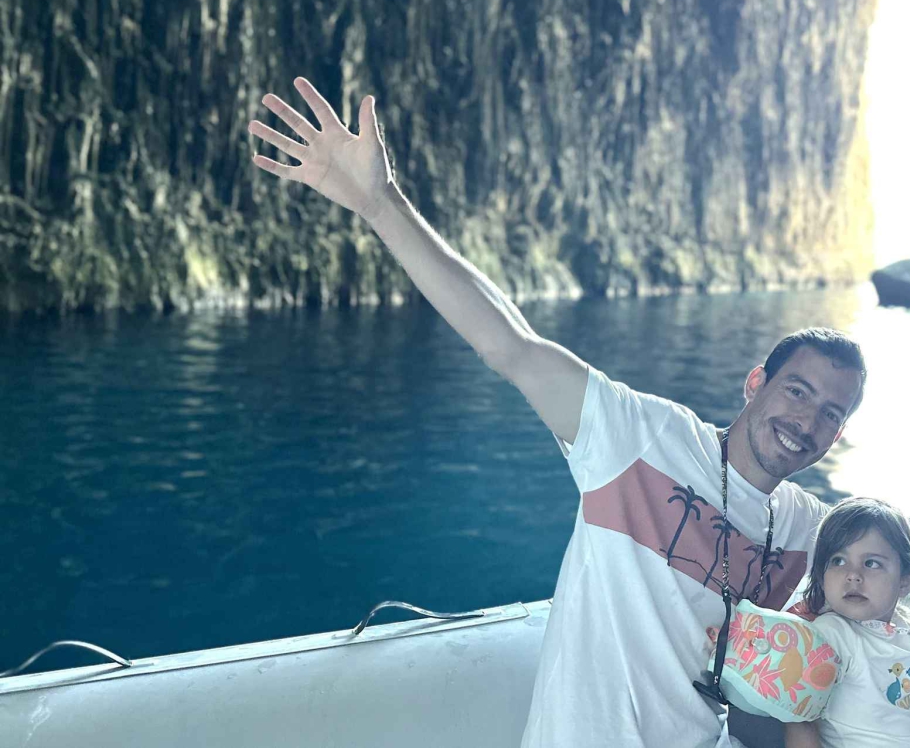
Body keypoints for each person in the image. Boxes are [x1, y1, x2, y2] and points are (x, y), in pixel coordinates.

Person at [248, 77, 864, 748]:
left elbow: (901, 541)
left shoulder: (804, 527)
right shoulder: (641, 439)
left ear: (838, 433)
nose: (807, 421)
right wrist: (379, 201)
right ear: (755, 383)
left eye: (830, 413)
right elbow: (509, 344)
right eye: (797, 391)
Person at [777, 497, 910, 748]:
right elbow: (799, 716)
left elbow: (900, 699)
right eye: (838, 561)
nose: (853, 575)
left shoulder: (906, 630)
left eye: (871, 563)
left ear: (904, 582)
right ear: (822, 578)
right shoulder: (831, 633)